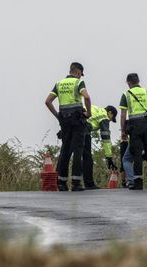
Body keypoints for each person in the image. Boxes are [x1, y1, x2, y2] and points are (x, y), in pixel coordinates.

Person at [45, 62, 91, 191]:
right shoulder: (78, 83)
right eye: (81, 74)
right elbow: (86, 97)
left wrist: (58, 116)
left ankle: (61, 183)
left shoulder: (59, 84)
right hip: (77, 120)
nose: (81, 76)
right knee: (77, 150)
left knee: (65, 150)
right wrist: (88, 112)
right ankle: (76, 183)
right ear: (78, 72)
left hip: (64, 120)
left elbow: (48, 101)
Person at [119, 73, 147, 190]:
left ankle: (138, 183)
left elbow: (123, 115)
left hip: (135, 127)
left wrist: (123, 131)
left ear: (128, 82)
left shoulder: (126, 94)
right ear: (138, 81)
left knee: (136, 154)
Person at [82, 105, 118, 189]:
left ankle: (61, 182)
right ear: (110, 113)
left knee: (67, 153)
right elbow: (106, 138)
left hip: (72, 125)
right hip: (84, 129)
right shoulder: (104, 116)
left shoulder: (95, 108)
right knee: (87, 158)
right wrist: (109, 157)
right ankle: (89, 184)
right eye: (111, 118)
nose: (109, 120)